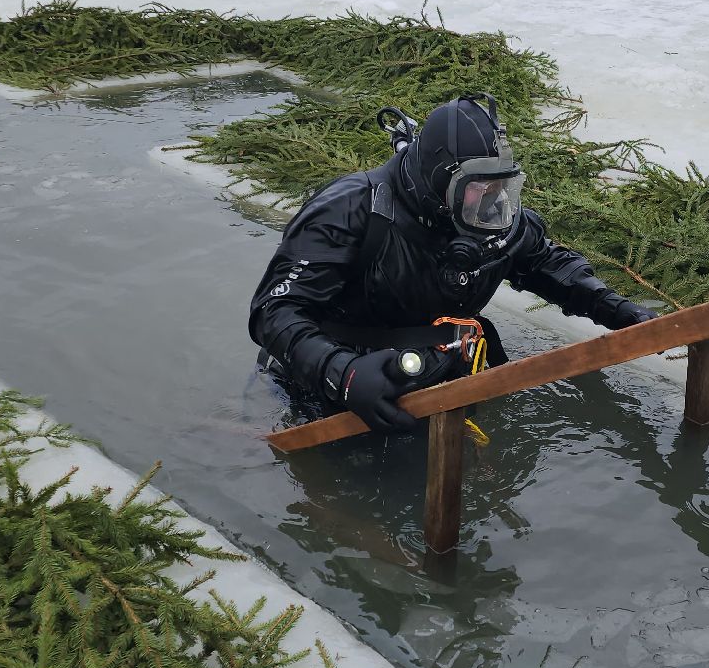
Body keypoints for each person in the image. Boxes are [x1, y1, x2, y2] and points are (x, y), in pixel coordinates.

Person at [249, 93, 657, 433]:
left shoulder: (491, 213)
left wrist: (615, 308)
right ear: (438, 181)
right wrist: (343, 374)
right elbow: (275, 311)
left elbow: (542, 261)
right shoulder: (352, 211)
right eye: (479, 188)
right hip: (339, 383)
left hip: (441, 368)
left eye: (501, 186)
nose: (493, 201)